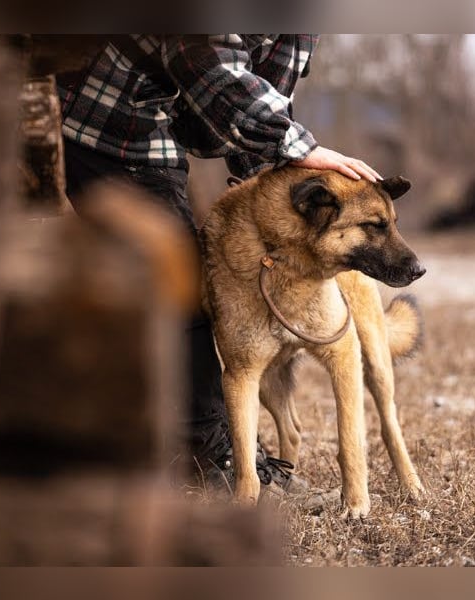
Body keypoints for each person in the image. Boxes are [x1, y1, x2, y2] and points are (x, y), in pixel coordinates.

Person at [57, 35, 381, 494]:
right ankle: (200, 451)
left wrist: (273, 184)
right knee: (180, 280)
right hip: (108, 117)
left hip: (157, 122)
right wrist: (295, 146)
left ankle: (215, 440)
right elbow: (205, 60)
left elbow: (265, 93)